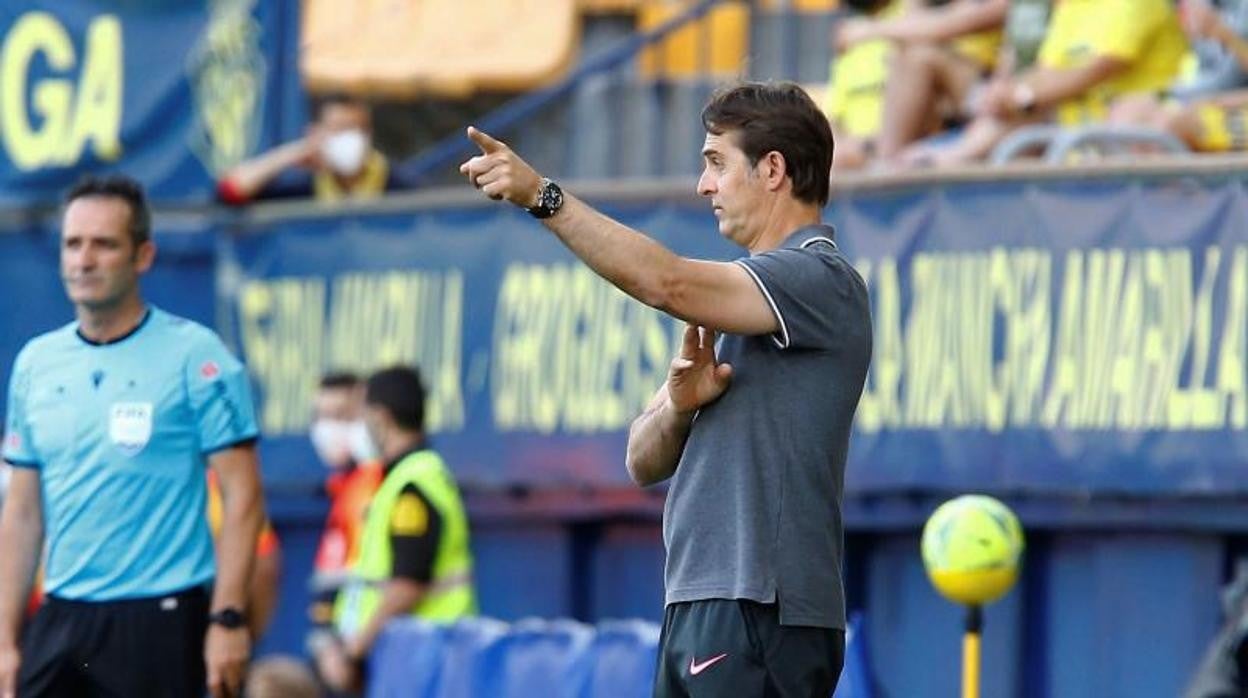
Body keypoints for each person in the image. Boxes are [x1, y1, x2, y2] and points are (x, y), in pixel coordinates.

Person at [460, 81, 873, 697]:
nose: (703, 185)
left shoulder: (818, 277)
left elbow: (667, 283)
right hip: (702, 605)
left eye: (715, 163)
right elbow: (641, 459)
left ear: (774, 170)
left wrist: (543, 198)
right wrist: (680, 409)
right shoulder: (748, 295)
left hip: (762, 610)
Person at [0, 175, 265, 698]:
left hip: (162, 617)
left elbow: (244, 498)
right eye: (73, 244)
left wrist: (228, 618)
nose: (84, 259)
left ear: (142, 256)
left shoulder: (197, 357)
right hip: (62, 616)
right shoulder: (35, 363)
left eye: (104, 244)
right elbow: (23, 512)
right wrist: (5, 636)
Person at [311, 366, 476, 694]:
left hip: (425, 660)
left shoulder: (412, 486)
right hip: (413, 658)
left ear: (381, 418)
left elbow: (407, 586)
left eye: (362, 415)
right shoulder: (402, 478)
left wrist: (355, 649)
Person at [911, 0, 1189, 167]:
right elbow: (1046, 70)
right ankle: (944, 161)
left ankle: (949, 161)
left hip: (1132, 134)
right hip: (1069, 136)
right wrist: (1005, 93)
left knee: (1022, 112)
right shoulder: (1072, 7)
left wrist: (1022, 96)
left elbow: (1093, 72)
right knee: (1010, 115)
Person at [835, 0, 1009, 163]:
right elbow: (913, 20)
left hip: (991, 91)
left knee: (918, 57)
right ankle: (887, 159)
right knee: (906, 55)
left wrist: (870, 30)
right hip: (946, 103)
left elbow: (950, 25)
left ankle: (886, 165)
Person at [1109, 0, 1248, 154]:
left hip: (1230, 102)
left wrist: (1219, 31)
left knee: (1169, 126)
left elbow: (1229, 80)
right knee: (1128, 110)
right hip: (1214, 97)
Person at [217, 94, 404, 205]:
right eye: (338, 129)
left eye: (355, 128)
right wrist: (293, 153)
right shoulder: (305, 190)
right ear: (316, 133)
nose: (348, 138)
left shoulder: (401, 188)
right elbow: (233, 189)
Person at [306, 372, 383, 635]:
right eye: (321, 417)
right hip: (345, 637)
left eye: (341, 416)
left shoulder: (373, 486)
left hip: (366, 639)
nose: (327, 429)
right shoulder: (345, 488)